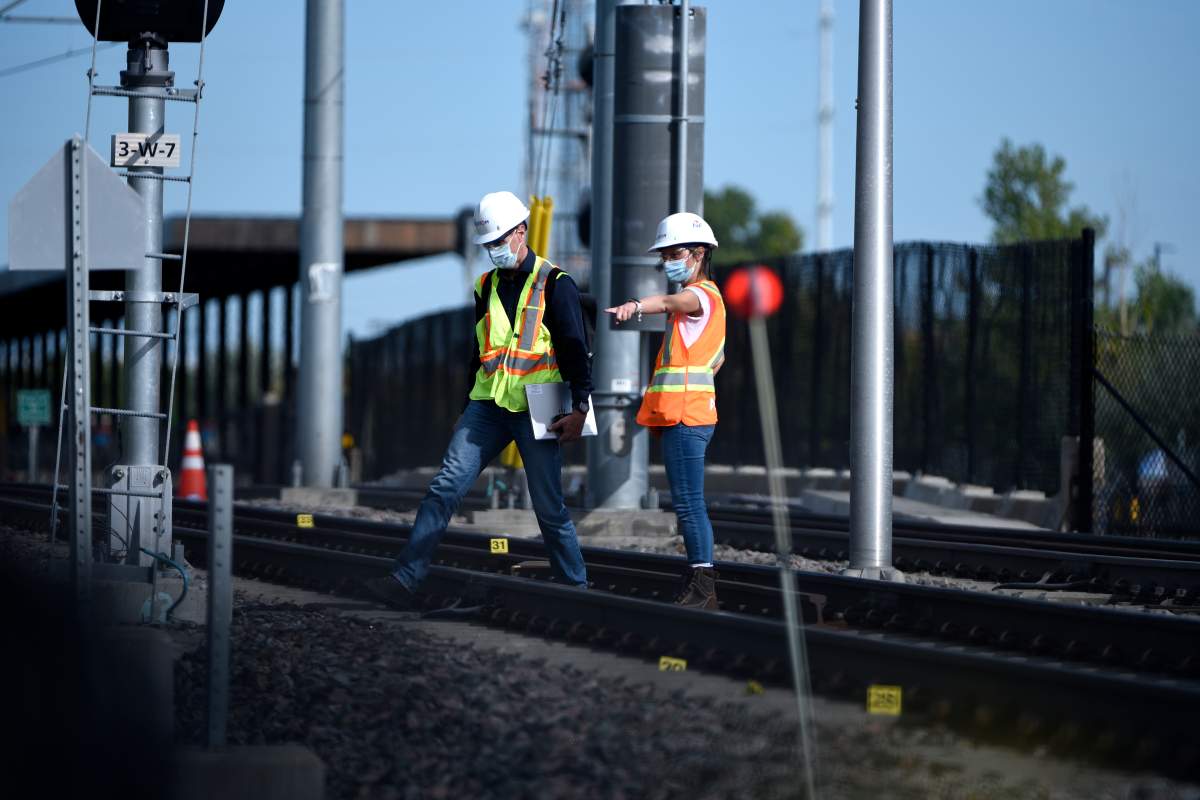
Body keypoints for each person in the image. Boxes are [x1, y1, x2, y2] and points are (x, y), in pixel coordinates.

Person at [365, 191, 592, 608]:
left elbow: (576, 348)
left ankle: (575, 587)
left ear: (521, 232)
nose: (494, 250)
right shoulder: (484, 285)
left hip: (542, 400)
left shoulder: (556, 283)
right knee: (444, 486)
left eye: (499, 240)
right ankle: (406, 578)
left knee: (547, 502)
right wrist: (463, 412)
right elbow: (479, 350)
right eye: (488, 244)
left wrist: (579, 409)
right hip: (486, 404)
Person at [605, 212, 725, 609]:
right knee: (688, 501)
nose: (668, 262)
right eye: (665, 256)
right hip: (688, 415)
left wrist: (636, 305)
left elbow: (672, 299)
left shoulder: (700, 297)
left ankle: (703, 586)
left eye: (674, 253)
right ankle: (698, 579)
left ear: (699, 253)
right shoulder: (710, 307)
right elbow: (716, 362)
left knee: (690, 502)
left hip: (686, 417)